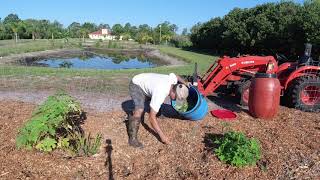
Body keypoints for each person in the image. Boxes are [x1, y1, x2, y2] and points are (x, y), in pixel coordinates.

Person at [128, 73, 190, 148]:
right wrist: (162, 137)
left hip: (147, 81)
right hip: (136, 84)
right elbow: (151, 118)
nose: (176, 100)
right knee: (140, 109)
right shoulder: (161, 92)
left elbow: (176, 75)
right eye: (176, 98)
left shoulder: (173, 82)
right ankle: (132, 140)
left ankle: (157, 112)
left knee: (155, 102)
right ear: (173, 92)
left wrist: (185, 83)